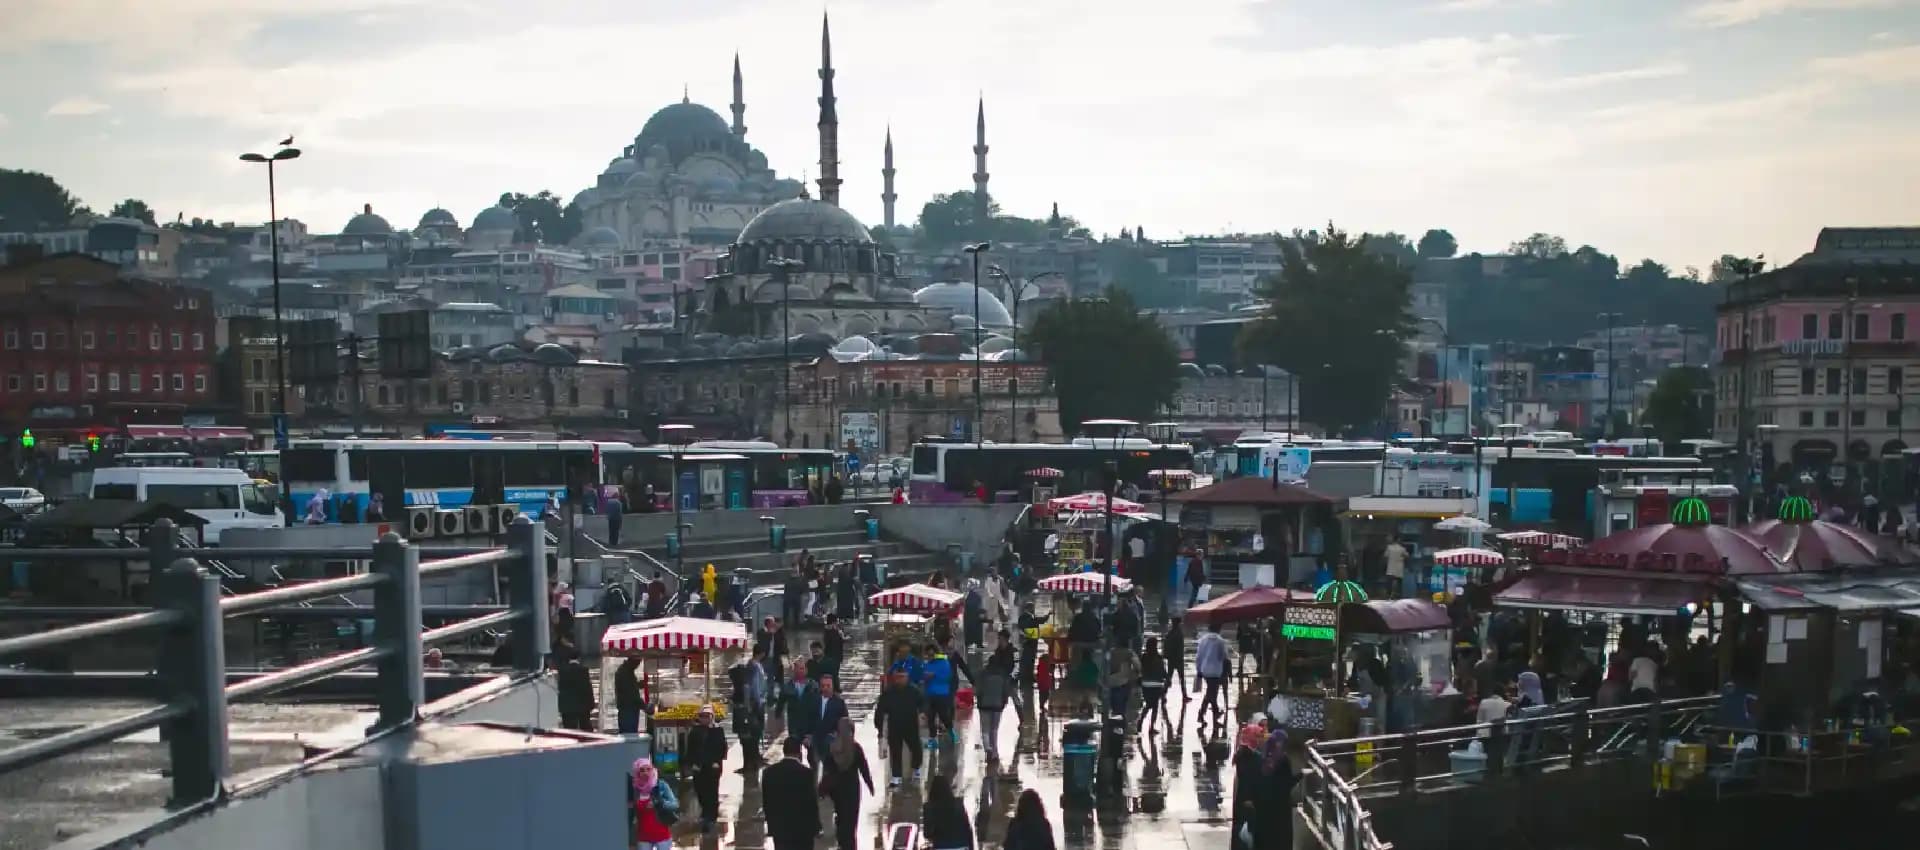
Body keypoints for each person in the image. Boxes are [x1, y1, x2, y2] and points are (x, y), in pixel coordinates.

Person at [818, 716, 875, 850]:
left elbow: (827, 771)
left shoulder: (832, 748)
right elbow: (864, 768)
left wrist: (821, 789)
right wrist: (870, 785)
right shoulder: (855, 748)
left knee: (841, 816)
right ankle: (849, 844)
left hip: (836, 789)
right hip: (852, 789)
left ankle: (842, 842)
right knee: (851, 820)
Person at [761, 737, 820, 850]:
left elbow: (767, 802)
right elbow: (811, 803)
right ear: (799, 752)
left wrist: (771, 825)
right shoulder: (806, 774)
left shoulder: (769, 773)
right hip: (803, 830)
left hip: (780, 829)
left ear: (784, 751)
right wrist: (816, 826)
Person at [875, 669, 925, 786]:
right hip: (895, 727)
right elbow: (880, 710)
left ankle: (916, 768)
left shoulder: (914, 691)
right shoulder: (888, 693)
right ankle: (896, 776)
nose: (900, 680)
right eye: (898, 677)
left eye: (903, 677)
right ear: (894, 678)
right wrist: (880, 728)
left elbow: (923, 703)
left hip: (910, 726)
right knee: (895, 752)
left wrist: (922, 713)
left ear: (907, 677)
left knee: (916, 749)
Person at [682, 705, 729, 831]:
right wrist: (691, 763)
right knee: (700, 789)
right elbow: (691, 749)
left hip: (713, 766)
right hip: (699, 766)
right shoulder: (695, 731)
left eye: (707, 716)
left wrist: (717, 761)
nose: (704, 719)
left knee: (712, 791)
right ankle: (706, 811)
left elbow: (722, 747)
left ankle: (710, 816)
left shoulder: (717, 731)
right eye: (702, 716)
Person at [1257, 730, 1297, 849]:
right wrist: (1301, 775)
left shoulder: (1263, 757)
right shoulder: (1283, 760)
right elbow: (1287, 783)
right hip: (1281, 807)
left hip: (1265, 808)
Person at [1230, 723, 1268, 850]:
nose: (1261, 739)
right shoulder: (1253, 758)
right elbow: (1250, 779)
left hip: (1241, 800)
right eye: (1258, 736)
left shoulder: (1241, 755)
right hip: (1250, 801)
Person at [976, 642, 1016, 761]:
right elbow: (1006, 691)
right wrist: (1003, 703)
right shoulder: (1002, 675)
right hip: (998, 706)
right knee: (994, 729)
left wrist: (979, 701)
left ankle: (988, 748)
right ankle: (994, 752)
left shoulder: (983, 674)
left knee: (985, 729)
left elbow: (978, 690)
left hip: (984, 705)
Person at [630, 757, 678, 850]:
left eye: (648, 769)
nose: (645, 772)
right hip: (643, 837)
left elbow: (674, 805)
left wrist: (659, 804)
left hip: (662, 836)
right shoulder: (635, 788)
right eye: (642, 770)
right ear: (637, 772)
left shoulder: (661, 785)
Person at [806, 673, 851, 770]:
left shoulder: (839, 703)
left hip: (830, 742)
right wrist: (807, 735)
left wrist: (838, 736)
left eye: (828, 686)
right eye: (823, 686)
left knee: (829, 769)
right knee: (814, 768)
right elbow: (807, 719)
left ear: (832, 686)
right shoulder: (813, 700)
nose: (825, 688)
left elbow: (844, 722)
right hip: (814, 741)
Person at [922, 774, 974, 850]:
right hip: (962, 845)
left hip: (941, 846)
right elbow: (967, 828)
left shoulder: (929, 807)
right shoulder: (958, 804)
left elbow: (927, 833)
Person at [1195, 622, 1232, 726]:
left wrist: (1199, 670)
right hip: (1216, 671)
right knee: (1211, 694)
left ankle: (1211, 714)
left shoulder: (1203, 640)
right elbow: (1223, 656)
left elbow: (1199, 656)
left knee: (1211, 693)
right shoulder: (1220, 641)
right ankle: (1205, 715)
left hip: (1205, 670)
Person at [923, 643, 958, 748]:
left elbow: (947, 676)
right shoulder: (927, 664)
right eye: (928, 655)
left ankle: (952, 732)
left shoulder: (944, 663)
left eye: (931, 654)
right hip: (930, 695)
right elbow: (922, 675)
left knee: (944, 716)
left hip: (942, 694)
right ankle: (932, 739)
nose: (930, 657)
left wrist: (934, 675)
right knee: (930, 718)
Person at [1139, 636, 1171, 736]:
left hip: (1145, 684)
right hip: (1157, 685)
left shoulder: (1143, 657)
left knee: (1148, 704)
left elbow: (1140, 670)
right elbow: (1163, 672)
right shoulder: (1159, 657)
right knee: (1155, 707)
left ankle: (1140, 721)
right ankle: (1151, 727)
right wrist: (1167, 679)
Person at [1106, 643, 1140, 727]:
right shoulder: (1129, 652)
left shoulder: (1110, 652)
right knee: (1122, 708)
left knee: (1114, 708)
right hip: (1123, 682)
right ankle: (1121, 728)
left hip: (1110, 682)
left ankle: (1115, 727)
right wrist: (1135, 674)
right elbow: (1137, 665)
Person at [557, 656, 593, 731]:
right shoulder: (584, 670)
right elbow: (588, 688)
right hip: (582, 705)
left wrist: (561, 707)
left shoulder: (562, 671)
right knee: (586, 729)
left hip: (567, 707)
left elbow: (560, 689)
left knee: (569, 730)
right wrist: (591, 704)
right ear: (579, 659)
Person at [614, 656, 644, 734]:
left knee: (627, 734)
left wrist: (637, 685)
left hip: (626, 709)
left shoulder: (625, 670)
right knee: (630, 735)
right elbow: (631, 695)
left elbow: (628, 688)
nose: (638, 665)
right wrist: (645, 707)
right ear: (633, 661)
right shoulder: (625, 673)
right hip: (628, 711)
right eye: (638, 663)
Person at [1164, 618, 1189, 701]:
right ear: (1178, 623)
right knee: (1181, 678)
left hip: (1171, 659)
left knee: (1169, 677)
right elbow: (1180, 648)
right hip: (1178, 659)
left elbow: (1166, 646)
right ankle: (1184, 695)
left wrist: (1166, 656)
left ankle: (1164, 694)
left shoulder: (1170, 633)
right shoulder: (1179, 633)